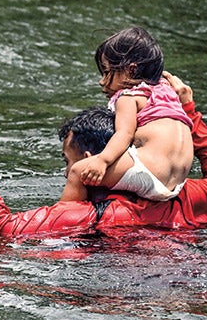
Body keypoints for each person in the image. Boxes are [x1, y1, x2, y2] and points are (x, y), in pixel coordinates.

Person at [0, 72, 207, 237]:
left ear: (88, 158)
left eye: (68, 161)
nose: (66, 172)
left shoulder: (87, 216)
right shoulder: (183, 197)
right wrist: (186, 113)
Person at [61, 26, 193, 203]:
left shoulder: (129, 97)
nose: (101, 82)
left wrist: (103, 161)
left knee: (78, 172)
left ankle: (61, 214)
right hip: (178, 180)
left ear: (131, 70)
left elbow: (125, 133)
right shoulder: (168, 93)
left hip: (152, 172)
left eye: (107, 72)